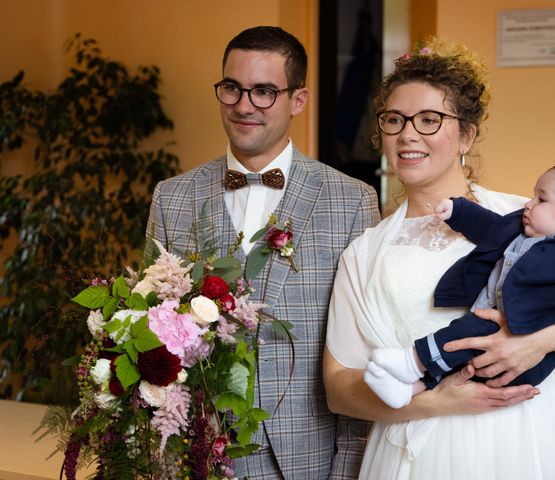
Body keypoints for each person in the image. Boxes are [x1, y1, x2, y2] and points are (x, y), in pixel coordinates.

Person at [323, 38, 555, 480]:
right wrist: (439, 401)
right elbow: (339, 389)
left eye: (430, 120)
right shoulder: (364, 252)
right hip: (419, 442)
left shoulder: (530, 216)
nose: (408, 134)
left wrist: (543, 340)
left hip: (528, 430)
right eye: (394, 120)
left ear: (467, 135)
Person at [144, 26, 380, 479]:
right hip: (194, 452)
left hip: (306, 457)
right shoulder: (171, 198)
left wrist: (350, 466)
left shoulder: (352, 200)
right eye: (232, 87)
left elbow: (361, 350)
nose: (243, 104)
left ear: (298, 100)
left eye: (264, 91)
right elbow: (154, 330)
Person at [365, 162, 555, 409]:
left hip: (525, 351)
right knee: (465, 350)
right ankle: (411, 388)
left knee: (468, 330)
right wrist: (457, 211)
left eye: (541, 199)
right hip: (491, 331)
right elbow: (488, 225)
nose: (529, 204)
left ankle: (412, 361)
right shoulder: (519, 228)